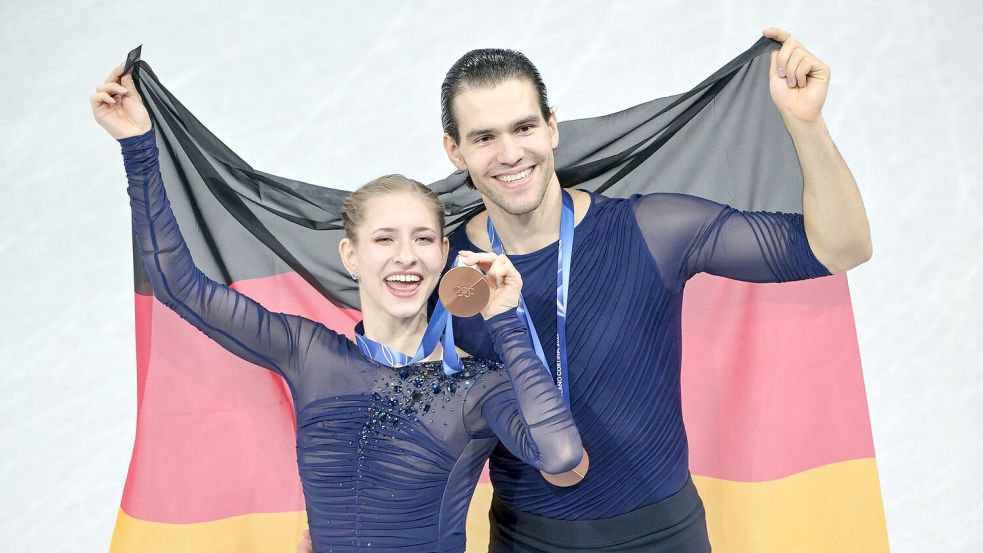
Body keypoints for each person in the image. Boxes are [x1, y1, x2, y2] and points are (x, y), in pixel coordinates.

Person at [304, 24, 873, 552]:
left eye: (524, 128)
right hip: (526, 541)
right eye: (484, 138)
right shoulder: (440, 271)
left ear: (552, 127)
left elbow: (841, 248)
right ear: (455, 151)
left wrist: (806, 124)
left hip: (666, 537)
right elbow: (379, 395)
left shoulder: (653, 231)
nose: (510, 154)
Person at [91, 63, 585, 553]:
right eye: (384, 239)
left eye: (422, 239)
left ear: (442, 254)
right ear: (351, 256)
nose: (406, 256)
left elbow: (561, 456)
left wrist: (504, 319)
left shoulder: (477, 386)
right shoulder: (309, 352)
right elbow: (179, 286)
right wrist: (138, 146)